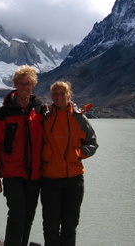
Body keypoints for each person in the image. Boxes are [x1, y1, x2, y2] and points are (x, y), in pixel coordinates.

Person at [0, 65, 45, 246]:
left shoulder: (40, 110)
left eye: (28, 84)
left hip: (34, 175)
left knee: (28, 216)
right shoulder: (3, 114)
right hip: (12, 174)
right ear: (15, 85)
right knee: (17, 213)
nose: (24, 87)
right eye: (20, 83)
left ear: (32, 85)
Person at [41, 81, 98, 246]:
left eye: (62, 93)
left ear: (69, 95)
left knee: (70, 225)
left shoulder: (79, 118)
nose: (59, 97)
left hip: (73, 179)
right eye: (55, 94)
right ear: (51, 97)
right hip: (50, 179)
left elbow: (92, 143)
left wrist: (79, 154)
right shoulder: (45, 118)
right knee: (50, 225)